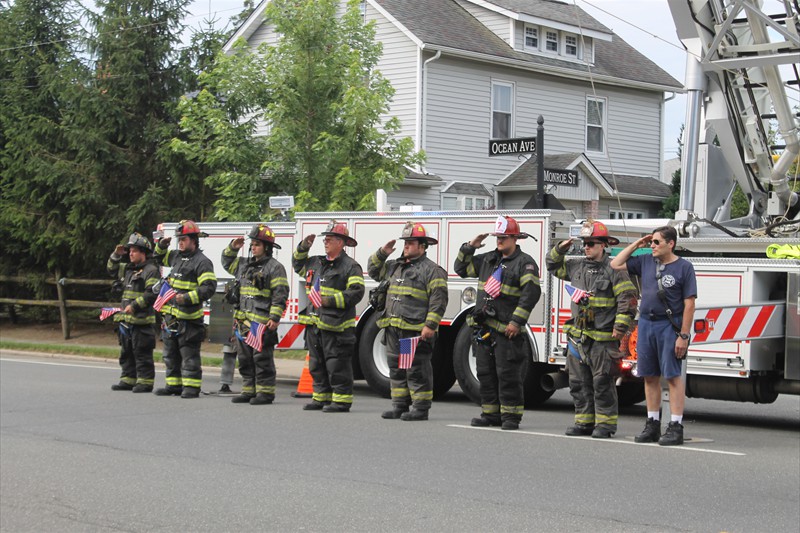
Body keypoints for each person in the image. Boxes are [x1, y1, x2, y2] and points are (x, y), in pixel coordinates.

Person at [546, 221, 637, 438]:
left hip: (603, 340)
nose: (587, 247)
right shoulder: (577, 266)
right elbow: (552, 265)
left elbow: (628, 299)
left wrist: (620, 327)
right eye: (585, 243)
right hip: (579, 338)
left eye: (592, 243)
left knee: (602, 382)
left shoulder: (614, 269)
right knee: (578, 383)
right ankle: (583, 422)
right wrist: (560, 248)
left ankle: (605, 425)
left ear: (603, 245)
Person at [610, 225, 697, 446]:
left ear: (671, 244)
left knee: (673, 377)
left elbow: (689, 305)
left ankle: (676, 426)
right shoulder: (646, 261)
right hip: (646, 324)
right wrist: (636, 245)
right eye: (651, 242)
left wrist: (683, 336)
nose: (652, 246)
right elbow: (615, 263)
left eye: (657, 242)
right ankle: (652, 423)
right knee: (649, 376)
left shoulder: (684, 268)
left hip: (669, 327)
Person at [454, 215, 542, 430]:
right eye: (497, 237)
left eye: (503, 237)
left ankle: (511, 417)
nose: (499, 241)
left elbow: (530, 294)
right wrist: (469, 247)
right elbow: (461, 269)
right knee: (485, 372)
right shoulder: (488, 260)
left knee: (508, 374)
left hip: (507, 331)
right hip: (485, 330)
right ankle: (490, 414)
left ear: (515, 238)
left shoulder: (525, 263)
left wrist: (516, 321)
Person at [367, 222, 448, 421]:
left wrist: (430, 325)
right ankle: (399, 405)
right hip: (394, 328)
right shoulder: (394, 266)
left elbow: (439, 299)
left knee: (416, 369)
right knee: (396, 368)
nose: (407, 246)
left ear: (422, 246)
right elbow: (373, 271)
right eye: (406, 242)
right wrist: (383, 252)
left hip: (415, 331)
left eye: (411, 243)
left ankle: (420, 408)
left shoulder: (432, 270)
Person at [292, 221, 365, 413]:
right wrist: (304, 247)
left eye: (330, 239)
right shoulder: (316, 262)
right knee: (317, 364)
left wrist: (329, 301)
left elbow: (356, 292)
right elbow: (297, 264)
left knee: (337, 364)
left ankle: (341, 401)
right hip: (315, 324)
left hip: (337, 327)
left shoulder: (351, 267)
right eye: (325, 239)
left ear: (341, 242)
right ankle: (320, 398)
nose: (325, 241)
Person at [222, 224, 289, 405]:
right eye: (252, 244)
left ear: (266, 247)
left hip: (261, 323)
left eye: (257, 244)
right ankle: (248, 390)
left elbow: (280, 294)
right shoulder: (244, 264)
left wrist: (274, 318)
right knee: (244, 359)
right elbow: (226, 262)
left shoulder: (275, 268)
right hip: (242, 322)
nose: (253, 247)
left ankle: (265, 393)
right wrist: (233, 247)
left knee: (262, 359)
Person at [152, 220, 218, 399]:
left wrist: (187, 298)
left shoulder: (202, 262)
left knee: (189, 355)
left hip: (189, 320)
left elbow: (209, 287)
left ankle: (191, 387)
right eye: (178, 239)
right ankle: (173, 385)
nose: (180, 242)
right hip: (171, 319)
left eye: (183, 239)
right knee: (170, 355)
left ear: (194, 240)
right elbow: (158, 258)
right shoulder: (176, 257)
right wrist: (161, 246)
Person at [106, 233, 160, 393]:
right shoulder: (128, 270)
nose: (130, 253)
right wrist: (116, 254)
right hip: (126, 321)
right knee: (126, 351)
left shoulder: (151, 271)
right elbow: (111, 269)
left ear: (143, 252)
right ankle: (128, 379)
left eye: (134, 251)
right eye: (129, 251)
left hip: (142, 321)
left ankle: (145, 382)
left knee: (142, 353)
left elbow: (152, 294)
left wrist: (135, 306)